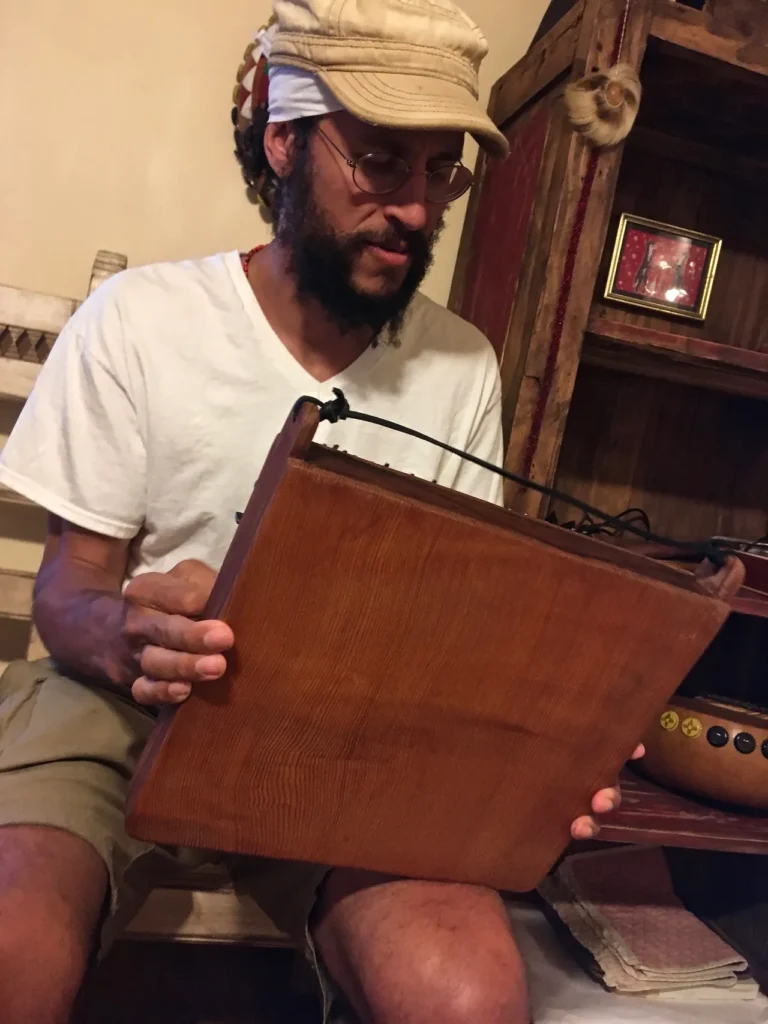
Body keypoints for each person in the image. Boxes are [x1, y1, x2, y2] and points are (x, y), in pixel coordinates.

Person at [0, 1, 640, 1021]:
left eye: (441, 174)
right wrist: (127, 632)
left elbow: (451, 633)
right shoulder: (144, 321)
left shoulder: (460, 362)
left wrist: (538, 752)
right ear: (284, 139)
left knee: (467, 997)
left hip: (338, 738)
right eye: (383, 163)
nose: (419, 211)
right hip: (118, 706)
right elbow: (68, 596)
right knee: (10, 953)